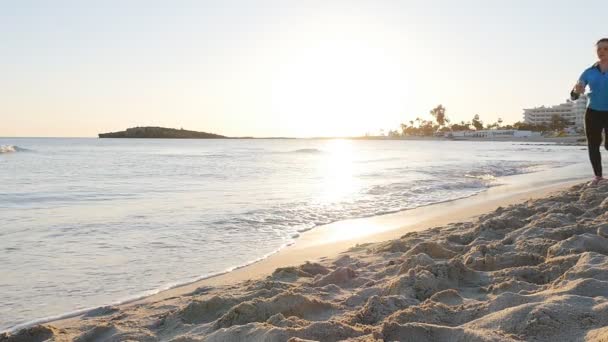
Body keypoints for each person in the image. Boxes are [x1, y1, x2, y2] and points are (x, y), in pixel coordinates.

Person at [571, 38, 608, 185]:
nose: (602, 52)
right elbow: (574, 96)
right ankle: (598, 176)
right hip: (593, 112)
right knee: (593, 144)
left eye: (605, 49)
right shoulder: (589, 72)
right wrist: (577, 91)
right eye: (599, 49)